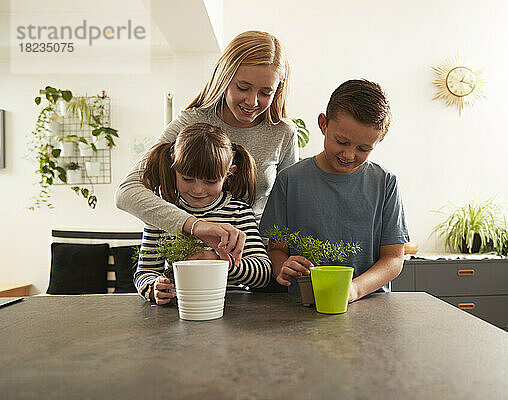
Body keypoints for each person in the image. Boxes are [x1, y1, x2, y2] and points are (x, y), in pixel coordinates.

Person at [116, 30, 298, 267]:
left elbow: (289, 207)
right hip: (193, 257)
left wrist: (276, 263)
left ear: (278, 90)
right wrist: (195, 226)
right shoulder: (190, 123)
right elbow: (126, 192)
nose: (252, 102)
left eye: (266, 92)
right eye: (243, 87)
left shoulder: (283, 133)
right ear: (223, 78)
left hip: (255, 266)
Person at [259, 79, 410, 303]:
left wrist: (354, 290)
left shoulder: (385, 183)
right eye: (341, 141)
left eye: (363, 148)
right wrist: (283, 266)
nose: (349, 155)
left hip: (368, 305)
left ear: (379, 140)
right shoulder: (290, 181)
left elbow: (393, 259)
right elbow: (277, 250)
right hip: (303, 305)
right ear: (323, 124)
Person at [134, 122, 272, 304]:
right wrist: (154, 288)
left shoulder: (238, 212)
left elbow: (262, 273)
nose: (198, 190)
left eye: (210, 181)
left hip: (233, 310)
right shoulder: (162, 213)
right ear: (173, 166)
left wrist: (220, 260)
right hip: (182, 308)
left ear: (228, 173)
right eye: (187, 179)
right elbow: (145, 272)